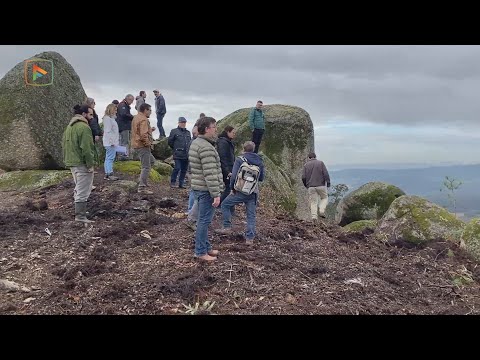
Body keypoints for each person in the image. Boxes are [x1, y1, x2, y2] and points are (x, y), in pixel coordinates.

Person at [215, 141, 265, 245]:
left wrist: (232, 188)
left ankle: (227, 227)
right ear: (253, 149)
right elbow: (261, 178)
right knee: (251, 215)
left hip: (240, 190)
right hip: (252, 192)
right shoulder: (259, 160)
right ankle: (249, 238)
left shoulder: (240, 159)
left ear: (244, 149)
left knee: (225, 204)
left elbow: (234, 176)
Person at [188, 117, 223, 261]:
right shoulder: (206, 147)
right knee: (203, 221)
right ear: (207, 129)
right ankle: (201, 252)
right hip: (206, 190)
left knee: (203, 220)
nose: (216, 130)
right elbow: (210, 173)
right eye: (214, 127)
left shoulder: (196, 143)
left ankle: (206, 247)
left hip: (198, 187)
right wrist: (216, 193)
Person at [62, 105, 96, 223]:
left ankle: (80, 213)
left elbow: (64, 145)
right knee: (83, 189)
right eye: (90, 114)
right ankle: (80, 216)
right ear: (83, 114)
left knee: (78, 187)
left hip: (72, 162)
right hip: (81, 163)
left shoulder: (69, 127)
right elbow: (87, 148)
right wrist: (90, 164)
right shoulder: (84, 127)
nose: (92, 117)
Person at [131, 103, 156, 194]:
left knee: (152, 162)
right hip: (142, 146)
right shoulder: (144, 119)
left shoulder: (136, 117)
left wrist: (150, 130)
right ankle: (142, 188)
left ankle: (142, 180)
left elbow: (139, 131)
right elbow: (143, 135)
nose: (151, 112)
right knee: (146, 167)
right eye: (150, 110)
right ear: (145, 110)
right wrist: (148, 144)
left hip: (137, 144)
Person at [301, 152, 331, 221]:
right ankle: (321, 210)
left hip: (311, 186)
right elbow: (326, 174)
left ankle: (314, 217)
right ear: (315, 157)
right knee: (324, 198)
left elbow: (303, 177)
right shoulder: (320, 163)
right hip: (321, 185)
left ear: (309, 158)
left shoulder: (306, 165)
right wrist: (328, 183)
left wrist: (306, 185)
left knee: (313, 202)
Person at [168, 117, 192, 189]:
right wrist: (175, 148)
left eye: (184, 122)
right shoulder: (174, 131)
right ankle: (173, 182)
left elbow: (189, 142)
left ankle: (181, 184)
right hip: (177, 154)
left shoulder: (188, 132)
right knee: (177, 168)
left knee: (184, 170)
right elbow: (170, 142)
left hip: (186, 154)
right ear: (178, 123)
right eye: (182, 122)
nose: (183, 124)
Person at [217, 125, 236, 204]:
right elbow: (223, 157)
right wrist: (227, 171)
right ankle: (220, 203)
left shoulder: (227, 142)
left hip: (229, 167)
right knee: (229, 188)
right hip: (226, 169)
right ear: (228, 132)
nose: (234, 134)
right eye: (233, 132)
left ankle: (225, 205)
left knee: (230, 188)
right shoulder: (223, 142)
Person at [102, 103, 120, 181]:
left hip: (109, 142)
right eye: (115, 110)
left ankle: (107, 173)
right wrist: (112, 142)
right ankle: (109, 173)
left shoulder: (110, 119)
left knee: (108, 158)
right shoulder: (108, 119)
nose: (116, 112)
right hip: (110, 142)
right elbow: (108, 131)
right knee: (110, 158)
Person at [116, 94, 135, 160]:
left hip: (122, 126)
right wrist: (132, 117)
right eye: (131, 100)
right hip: (123, 126)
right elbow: (123, 114)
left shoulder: (123, 105)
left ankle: (121, 155)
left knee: (121, 141)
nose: (132, 102)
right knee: (124, 141)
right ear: (128, 99)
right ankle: (123, 155)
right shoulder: (123, 105)